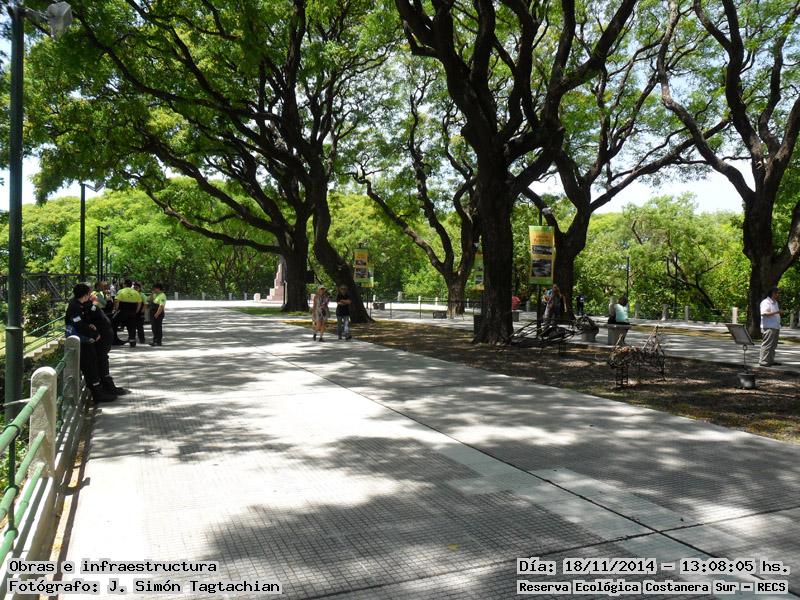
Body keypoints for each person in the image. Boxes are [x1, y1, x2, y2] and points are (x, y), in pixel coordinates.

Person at [65, 283, 115, 402]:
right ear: (85, 294)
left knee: (93, 364)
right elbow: (78, 324)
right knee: (89, 367)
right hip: (82, 342)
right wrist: (94, 334)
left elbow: (83, 321)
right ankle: (97, 394)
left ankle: (100, 391)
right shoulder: (75, 306)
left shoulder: (81, 304)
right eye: (89, 293)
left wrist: (90, 326)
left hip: (86, 341)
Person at [86, 288, 128, 395]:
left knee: (103, 360)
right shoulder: (85, 306)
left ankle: (107, 384)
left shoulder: (91, 304)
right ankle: (103, 387)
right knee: (100, 360)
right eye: (90, 293)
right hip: (99, 339)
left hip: (104, 338)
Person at [113, 278, 142, 347]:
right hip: (132, 311)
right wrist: (136, 311)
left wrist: (116, 309)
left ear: (124, 284)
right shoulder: (136, 292)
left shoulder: (121, 291)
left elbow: (116, 301)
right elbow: (139, 302)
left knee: (114, 323)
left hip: (123, 310)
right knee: (132, 326)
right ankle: (132, 341)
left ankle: (114, 339)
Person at [759, 287, 783, 366]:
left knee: (773, 345)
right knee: (767, 345)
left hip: (775, 326)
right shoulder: (766, 302)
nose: (778, 295)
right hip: (768, 327)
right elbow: (764, 313)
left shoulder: (775, 302)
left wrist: (777, 313)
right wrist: (777, 312)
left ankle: (770, 360)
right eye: (777, 293)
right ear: (773, 293)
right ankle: (763, 361)